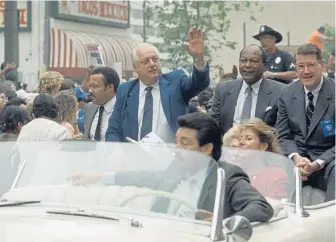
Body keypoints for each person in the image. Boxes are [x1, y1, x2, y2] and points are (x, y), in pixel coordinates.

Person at [69, 112, 274, 223]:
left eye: (185, 143)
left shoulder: (226, 176)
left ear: (207, 149)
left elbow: (262, 207)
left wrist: (225, 221)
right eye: (176, 142)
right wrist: (99, 176)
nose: (177, 149)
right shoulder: (175, 170)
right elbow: (142, 176)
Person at [105, 26, 210, 143]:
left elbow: (199, 83)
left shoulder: (176, 81)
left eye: (155, 59)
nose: (152, 64)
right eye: (145, 61)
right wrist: (115, 151)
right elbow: (113, 129)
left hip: (172, 156)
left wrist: (198, 58)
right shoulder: (125, 90)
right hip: (135, 156)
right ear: (135, 68)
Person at [276, 43, 335, 202]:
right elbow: (283, 135)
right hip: (298, 160)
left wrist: (318, 163)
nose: (306, 71)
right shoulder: (287, 93)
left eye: (311, 65)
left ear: (321, 65)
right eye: (301, 66)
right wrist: (296, 158)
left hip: (328, 160)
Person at [211, 44, 285, 135]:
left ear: (265, 65)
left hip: (263, 147)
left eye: (254, 61)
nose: (247, 65)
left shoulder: (280, 91)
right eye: (243, 61)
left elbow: (282, 131)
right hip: (228, 146)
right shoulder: (223, 89)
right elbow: (214, 126)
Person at [223, 119, 288, 200]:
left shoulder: (276, 175)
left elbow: (272, 207)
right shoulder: (234, 173)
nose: (241, 142)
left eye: (248, 138)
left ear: (263, 146)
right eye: (240, 138)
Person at [83, 67, 120, 141]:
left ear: (110, 87)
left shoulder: (123, 110)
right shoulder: (89, 108)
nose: (90, 90)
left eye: (95, 86)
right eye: (89, 86)